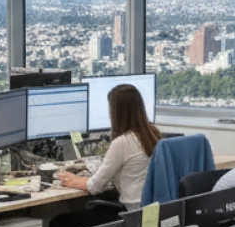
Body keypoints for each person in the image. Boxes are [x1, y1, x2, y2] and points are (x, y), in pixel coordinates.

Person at [57, 83, 161, 212]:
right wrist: (82, 179)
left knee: (60, 221)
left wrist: (72, 180)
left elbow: (95, 187)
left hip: (131, 211)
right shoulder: (154, 134)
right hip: (151, 208)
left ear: (117, 113)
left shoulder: (122, 143)